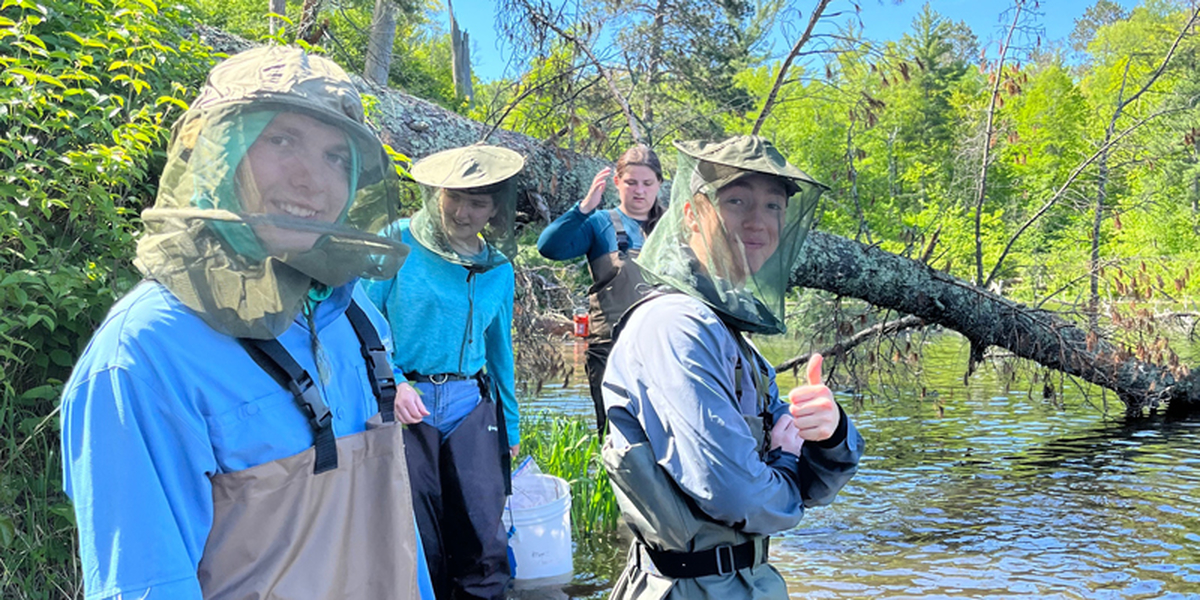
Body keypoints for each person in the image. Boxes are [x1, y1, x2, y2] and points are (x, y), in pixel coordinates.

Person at [59, 46, 435, 600]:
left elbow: (393, 542)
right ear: (218, 154)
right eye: (281, 140)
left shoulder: (355, 316)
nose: (314, 180)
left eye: (337, 156)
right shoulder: (144, 354)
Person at [600, 135, 865, 599]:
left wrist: (831, 432)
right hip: (689, 587)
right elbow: (737, 493)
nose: (758, 222)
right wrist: (785, 464)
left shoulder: (726, 330)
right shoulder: (676, 327)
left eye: (773, 206)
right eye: (737, 201)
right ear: (691, 216)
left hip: (742, 582)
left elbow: (810, 484)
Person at [365, 144, 524, 599]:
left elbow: (500, 350)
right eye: (455, 197)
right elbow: (362, 321)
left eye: (478, 203)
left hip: (469, 407)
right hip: (404, 405)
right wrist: (393, 382)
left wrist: (509, 425)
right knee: (416, 537)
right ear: (436, 194)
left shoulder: (498, 267)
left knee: (482, 536)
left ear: (494, 208)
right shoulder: (397, 241)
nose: (463, 212)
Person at [536, 144, 664, 433]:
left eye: (647, 183)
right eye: (631, 183)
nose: (639, 191)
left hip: (662, 346)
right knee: (616, 434)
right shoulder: (599, 223)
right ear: (616, 183)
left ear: (659, 184)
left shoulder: (672, 227)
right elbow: (549, 247)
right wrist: (583, 209)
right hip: (610, 348)